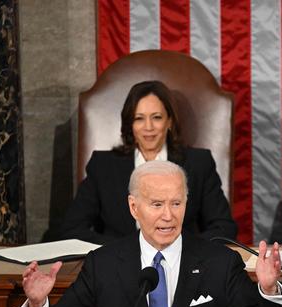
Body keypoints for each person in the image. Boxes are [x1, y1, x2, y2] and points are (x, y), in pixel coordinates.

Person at [15, 161, 282, 307]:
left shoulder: (219, 262)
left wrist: (269, 290)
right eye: (157, 204)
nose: (168, 216)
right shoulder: (104, 264)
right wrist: (38, 304)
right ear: (134, 207)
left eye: (176, 203)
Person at [59, 80, 237, 245]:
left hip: (182, 265)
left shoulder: (198, 163)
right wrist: (125, 251)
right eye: (139, 118)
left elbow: (224, 228)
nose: (148, 127)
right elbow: (72, 230)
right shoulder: (103, 165)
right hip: (118, 266)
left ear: (169, 121)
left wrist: (181, 250)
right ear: (130, 124)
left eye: (157, 117)